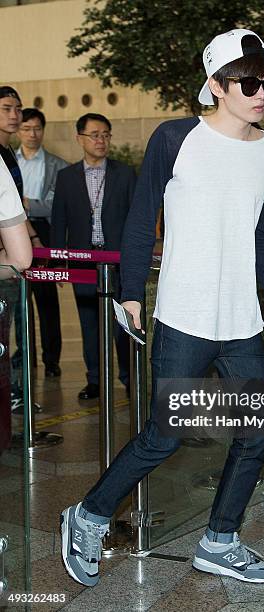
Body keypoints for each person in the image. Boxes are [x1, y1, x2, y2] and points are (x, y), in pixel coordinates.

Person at [60, 29, 264, 587]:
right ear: (215, 85)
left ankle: (219, 540)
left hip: (242, 323)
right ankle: (86, 516)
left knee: (257, 432)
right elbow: (138, 221)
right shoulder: (174, 138)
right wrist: (130, 293)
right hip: (184, 317)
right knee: (165, 435)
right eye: (247, 81)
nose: (261, 92)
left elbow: (258, 244)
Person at [51, 113, 136, 400]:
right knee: (89, 323)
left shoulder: (124, 174)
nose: (101, 140)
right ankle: (96, 380)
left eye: (106, 135)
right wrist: (56, 261)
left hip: (118, 261)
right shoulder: (65, 178)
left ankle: (128, 378)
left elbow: (136, 219)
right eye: (95, 135)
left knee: (122, 325)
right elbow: (58, 220)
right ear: (80, 138)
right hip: (82, 262)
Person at [16, 108, 68, 378]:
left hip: (44, 236)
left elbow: (54, 206)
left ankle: (51, 359)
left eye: (37, 128)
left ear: (43, 130)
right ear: (19, 131)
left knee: (47, 301)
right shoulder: (8, 162)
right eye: (26, 129)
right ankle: (23, 356)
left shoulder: (58, 165)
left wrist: (26, 206)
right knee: (17, 302)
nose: (32, 134)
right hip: (13, 234)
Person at [0, 85, 42, 414]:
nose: (15, 115)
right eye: (6, 108)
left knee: (15, 326)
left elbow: (15, 210)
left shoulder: (8, 154)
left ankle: (13, 389)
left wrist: (34, 238)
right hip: (7, 260)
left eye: (18, 108)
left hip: (11, 254)